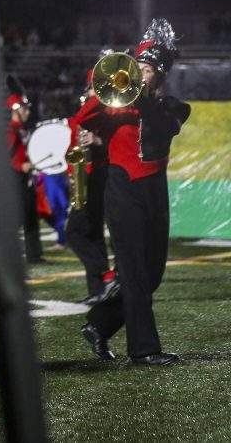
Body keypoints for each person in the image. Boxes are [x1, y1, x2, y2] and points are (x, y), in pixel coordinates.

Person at [74, 19, 190, 365]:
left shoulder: (173, 107)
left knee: (152, 274)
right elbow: (82, 117)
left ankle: (99, 324)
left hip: (155, 192)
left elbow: (162, 124)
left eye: (148, 68)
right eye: (137, 66)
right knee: (135, 272)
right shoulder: (116, 107)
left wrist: (135, 102)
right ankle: (143, 350)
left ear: (161, 74)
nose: (140, 73)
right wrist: (104, 93)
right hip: (122, 190)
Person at [65, 50, 118, 305]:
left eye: (93, 89)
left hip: (99, 177)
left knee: (74, 233)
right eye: (89, 89)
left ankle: (106, 274)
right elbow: (72, 149)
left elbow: (121, 145)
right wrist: (72, 176)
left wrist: (98, 140)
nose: (90, 93)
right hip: (85, 177)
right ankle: (98, 291)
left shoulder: (106, 114)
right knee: (94, 233)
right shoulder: (83, 115)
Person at [7, 92, 46, 265]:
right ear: (16, 110)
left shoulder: (23, 130)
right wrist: (20, 166)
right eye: (25, 109)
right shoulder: (10, 131)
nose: (28, 112)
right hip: (16, 180)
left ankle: (34, 256)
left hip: (26, 178)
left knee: (31, 218)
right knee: (16, 219)